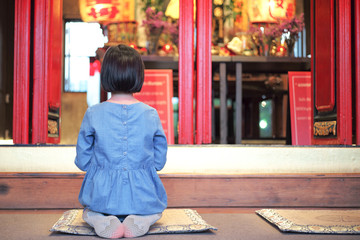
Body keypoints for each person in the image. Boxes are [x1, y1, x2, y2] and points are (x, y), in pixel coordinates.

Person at [75, 44, 168, 238]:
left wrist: (90, 165)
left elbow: (83, 160)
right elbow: (159, 159)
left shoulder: (93, 113)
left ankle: (101, 219)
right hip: (143, 195)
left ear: (106, 74)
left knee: (89, 211)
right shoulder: (150, 113)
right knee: (156, 209)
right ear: (138, 75)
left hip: (102, 196)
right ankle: (142, 219)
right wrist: (152, 166)